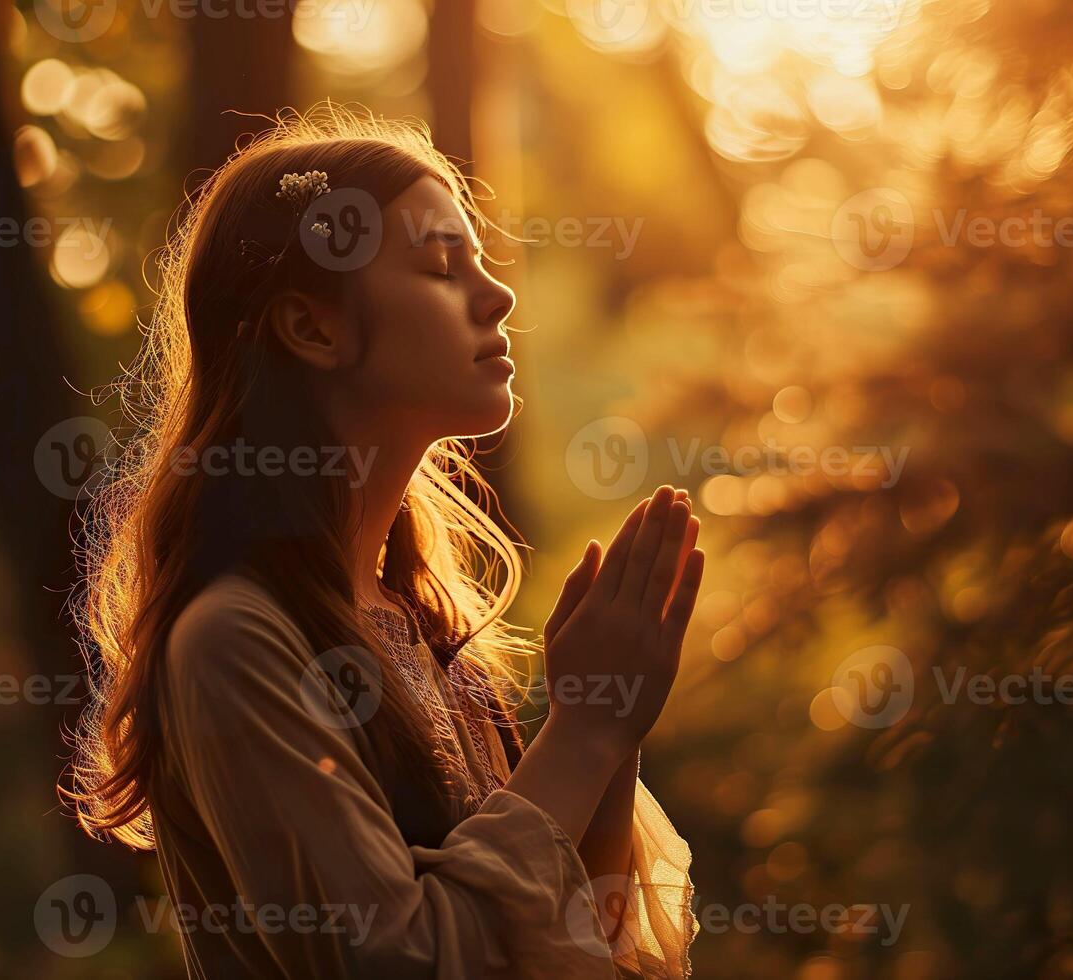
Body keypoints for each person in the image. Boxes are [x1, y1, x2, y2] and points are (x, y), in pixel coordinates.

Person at [66, 102, 707, 978]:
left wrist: (612, 727)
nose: (500, 293)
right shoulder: (235, 643)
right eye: (442, 267)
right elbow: (397, 961)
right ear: (313, 328)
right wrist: (585, 732)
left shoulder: (415, 626)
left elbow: (582, 948)